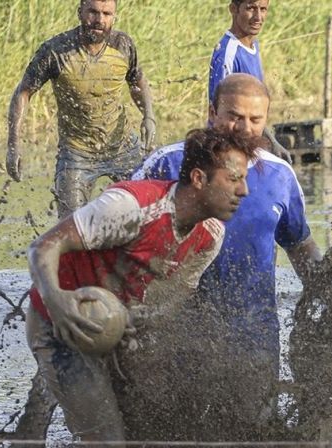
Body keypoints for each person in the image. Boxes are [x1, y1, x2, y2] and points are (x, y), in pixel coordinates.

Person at [26, 128, 256, 448]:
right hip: (59, 326)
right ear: (199, 179)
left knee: (152, 433)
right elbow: (43, 247)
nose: (244, 191)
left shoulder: (210, 236)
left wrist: (139, 336)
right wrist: (57, 302)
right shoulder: (130, 207)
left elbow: (169, 300)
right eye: (234, 179)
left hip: (115, 328)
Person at [134, 74, 321, 428]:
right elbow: (123, 230)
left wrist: (329, 296)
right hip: (173, 328)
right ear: (211, 112)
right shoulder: (167, 164)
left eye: (256, 120)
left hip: (253, 331)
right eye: (234, 116)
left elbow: (299, 245)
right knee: (169, 431)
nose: (244, 129)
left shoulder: (279, 176)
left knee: (253, 434)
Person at [6, 0, 156, 218]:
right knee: (70, 227)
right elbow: (23, 92)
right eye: (93, 12)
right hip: (77, 153)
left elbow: (137, 81)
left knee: (150, 214)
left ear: (114, 17)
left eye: (107, 14)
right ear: (80, 13)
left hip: (123, 148)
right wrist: (13, 145)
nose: (99, 20)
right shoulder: (56, 51)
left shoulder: (123, 45)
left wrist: (149, 116)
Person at [209, 0, 291, 163]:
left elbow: (251, 110)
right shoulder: (228, 53)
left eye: (263, 9)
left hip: (248, 145)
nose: (258, 17)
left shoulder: (253, 46)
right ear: (233, 9)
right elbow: (221, 114)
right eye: (251, 8)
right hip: (229, 149)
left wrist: (272, 142)